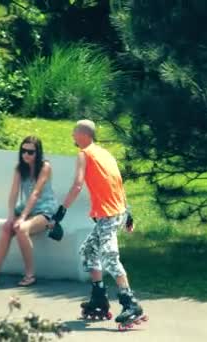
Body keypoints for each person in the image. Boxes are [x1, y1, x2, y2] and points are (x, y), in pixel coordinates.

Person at [49, 119, 146, 326]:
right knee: (88, 250)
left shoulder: (84, 154)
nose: (72, 136)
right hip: (115, 212)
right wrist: (128, 213)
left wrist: (61, 212)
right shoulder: (105, 153)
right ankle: (99, 297)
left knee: (110, 258)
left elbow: (77, 185)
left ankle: (131, 303)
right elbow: (117, 181)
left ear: (84, 134)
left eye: (75, 132)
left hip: (109, 215)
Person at [0, 136, 58, 287]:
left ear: (37, 153)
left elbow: (36, 193)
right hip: (26, 207)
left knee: (22, 229)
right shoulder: (20, 168)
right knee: (7, 227)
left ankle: (30, 274)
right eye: (23, 151)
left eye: (30, 152)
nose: (26, 155)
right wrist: (11, 216)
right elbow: (13, 193)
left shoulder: (45, 167)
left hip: (45, 210)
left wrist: (22, 217)